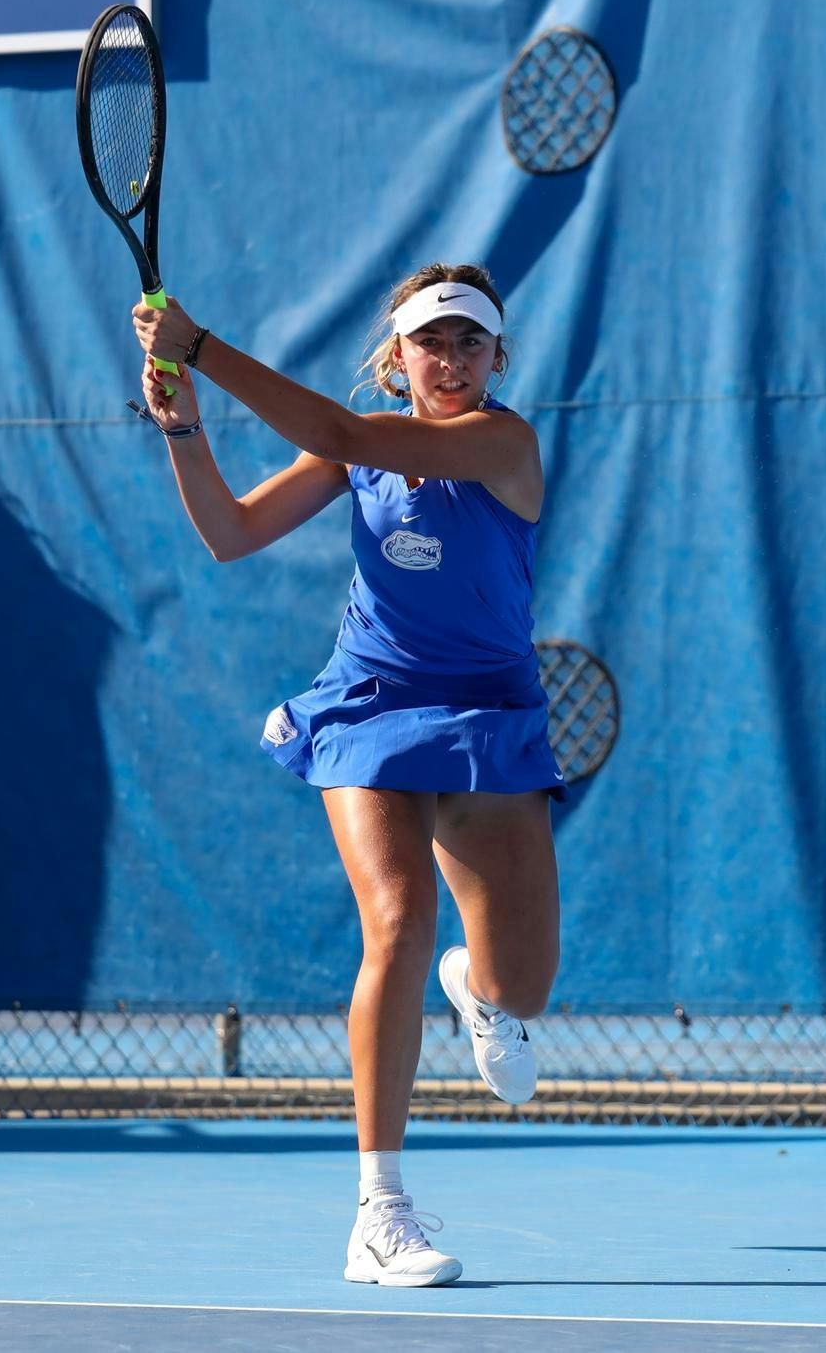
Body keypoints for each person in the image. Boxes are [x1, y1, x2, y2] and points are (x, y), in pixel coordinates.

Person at [130, 264, 565, 1288]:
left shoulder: (503, 444)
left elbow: (351, 436)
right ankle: (380, 1213)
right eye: (430, 342)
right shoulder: (355, 451)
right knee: (399, 924)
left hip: (487, 716)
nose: (449, 359)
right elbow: (231, 534)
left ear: (496, 357)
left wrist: (200, 347)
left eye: (468, 343)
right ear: (397, 357)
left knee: (524, 983)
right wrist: (182, 427)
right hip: (368, 708)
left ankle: (483, 995)